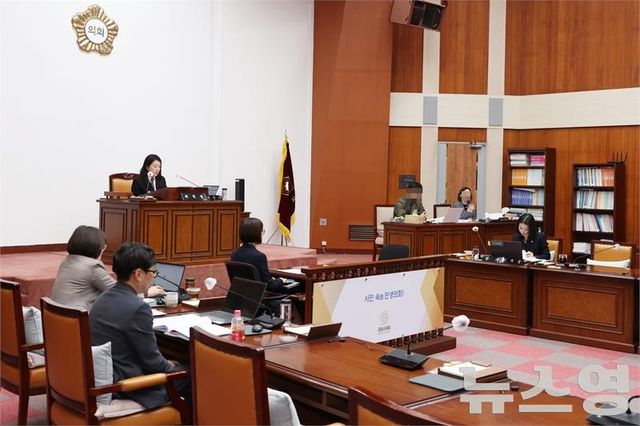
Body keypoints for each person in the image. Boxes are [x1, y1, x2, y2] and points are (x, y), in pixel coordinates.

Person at [90, 242, 191, 409]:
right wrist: (171, 366)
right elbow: (153, 363)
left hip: (106, 374)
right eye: (153, 272)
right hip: (125, 385)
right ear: (138, 274)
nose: (154, 276)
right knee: (194, 373)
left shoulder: (103, 297)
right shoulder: (138, 308)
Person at [50, 226, 165, 311]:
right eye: (103, 247)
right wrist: (146, 293)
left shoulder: (67, 261)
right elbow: (120, 291)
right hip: (79, 321)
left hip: (59, 317)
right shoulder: (92, 267)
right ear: (97, 248)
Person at [231, 217, 292, 294]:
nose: (262, 234)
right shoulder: (259, 257)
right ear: (257, 233)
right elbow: (269, 286)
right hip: (258, 298)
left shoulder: (235, 254)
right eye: (262, 231)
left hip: (243, 296)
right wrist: (281, 281)